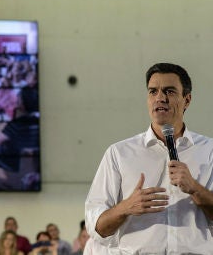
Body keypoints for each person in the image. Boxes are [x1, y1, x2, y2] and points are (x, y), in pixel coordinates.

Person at [84, 63, 213, 254]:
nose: (160, 98)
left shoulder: (209, 151)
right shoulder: (119, 153)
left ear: (187, 100)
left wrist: (195, 189)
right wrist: (125, 208)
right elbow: (97, 228)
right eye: (153, 91)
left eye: (169, 91)